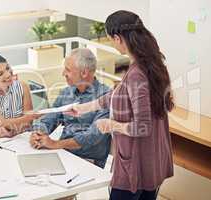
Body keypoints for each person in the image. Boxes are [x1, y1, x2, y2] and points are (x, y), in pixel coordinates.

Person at [67, 11, 174, 200]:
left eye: (110, 39)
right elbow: (118, 96)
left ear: (117, 38)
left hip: (137, 163)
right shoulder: (152, 63)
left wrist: (110, 125)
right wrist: (84, 107)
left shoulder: (136, 74)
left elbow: (142, 127)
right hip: (152, 159)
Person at [30, 48, 111, 168]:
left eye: (67, 70)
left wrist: (55, 144)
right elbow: (49, 119)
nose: (63, 74)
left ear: (84, 72)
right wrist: (38, 133)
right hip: (62, 154)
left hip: (87, 162)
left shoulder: (105, 98)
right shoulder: (66, 92)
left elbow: (91, 137)